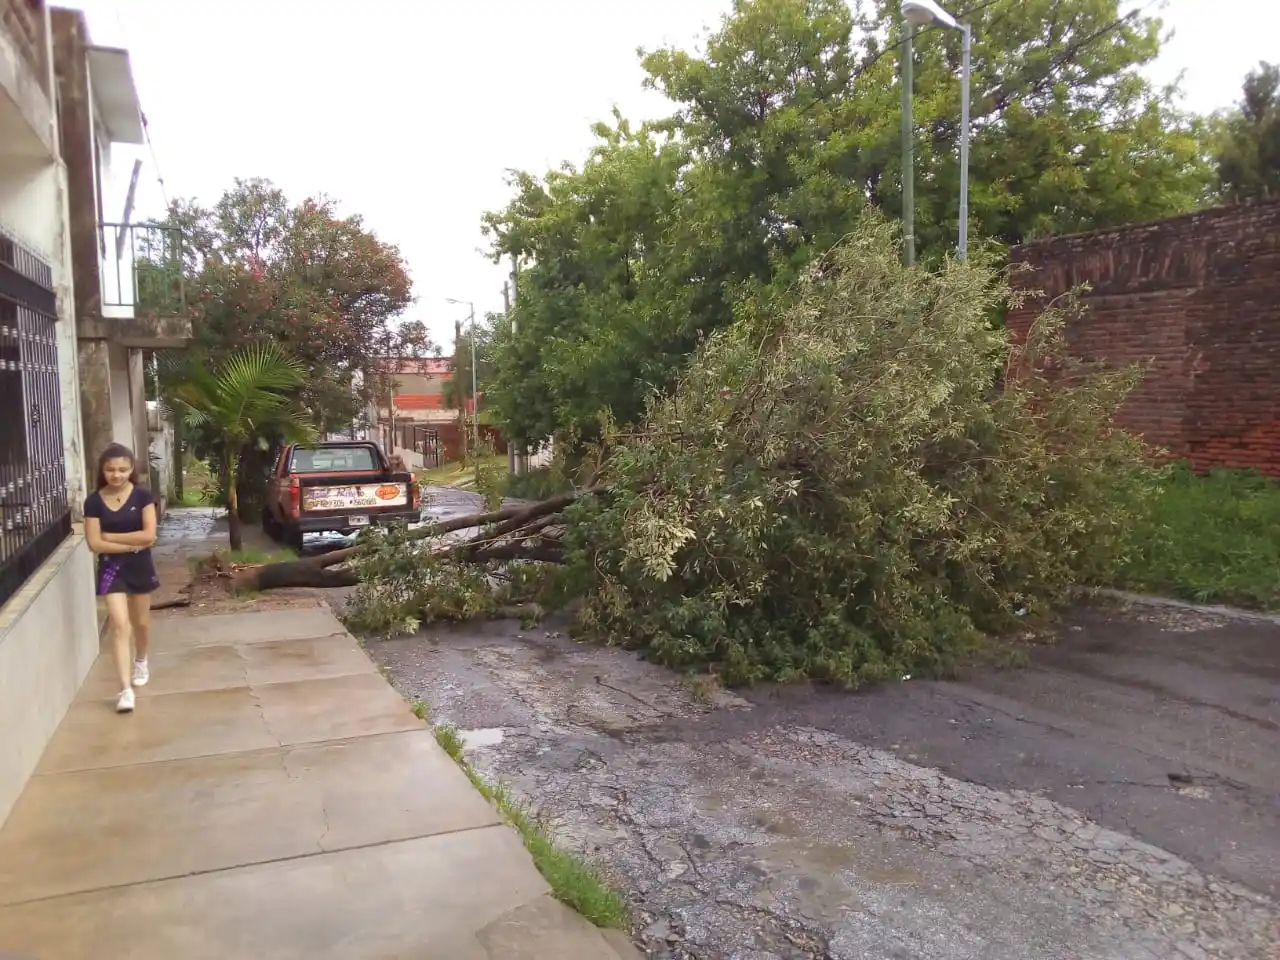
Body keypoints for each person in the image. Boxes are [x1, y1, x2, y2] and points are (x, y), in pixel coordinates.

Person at [83, 443, 160, 713]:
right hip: (110, 569)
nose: (116, 475)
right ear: (102, 471)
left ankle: (141, 660)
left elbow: (149, 535)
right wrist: (131, 546)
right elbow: (94, 543)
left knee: (141, 623)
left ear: (131, 470)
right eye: (110, 470)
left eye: (122, 470)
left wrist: (112, 538)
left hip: (140, 566)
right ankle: (125, 690)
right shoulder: (93, 501)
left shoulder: (143, 496)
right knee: (119, 625)